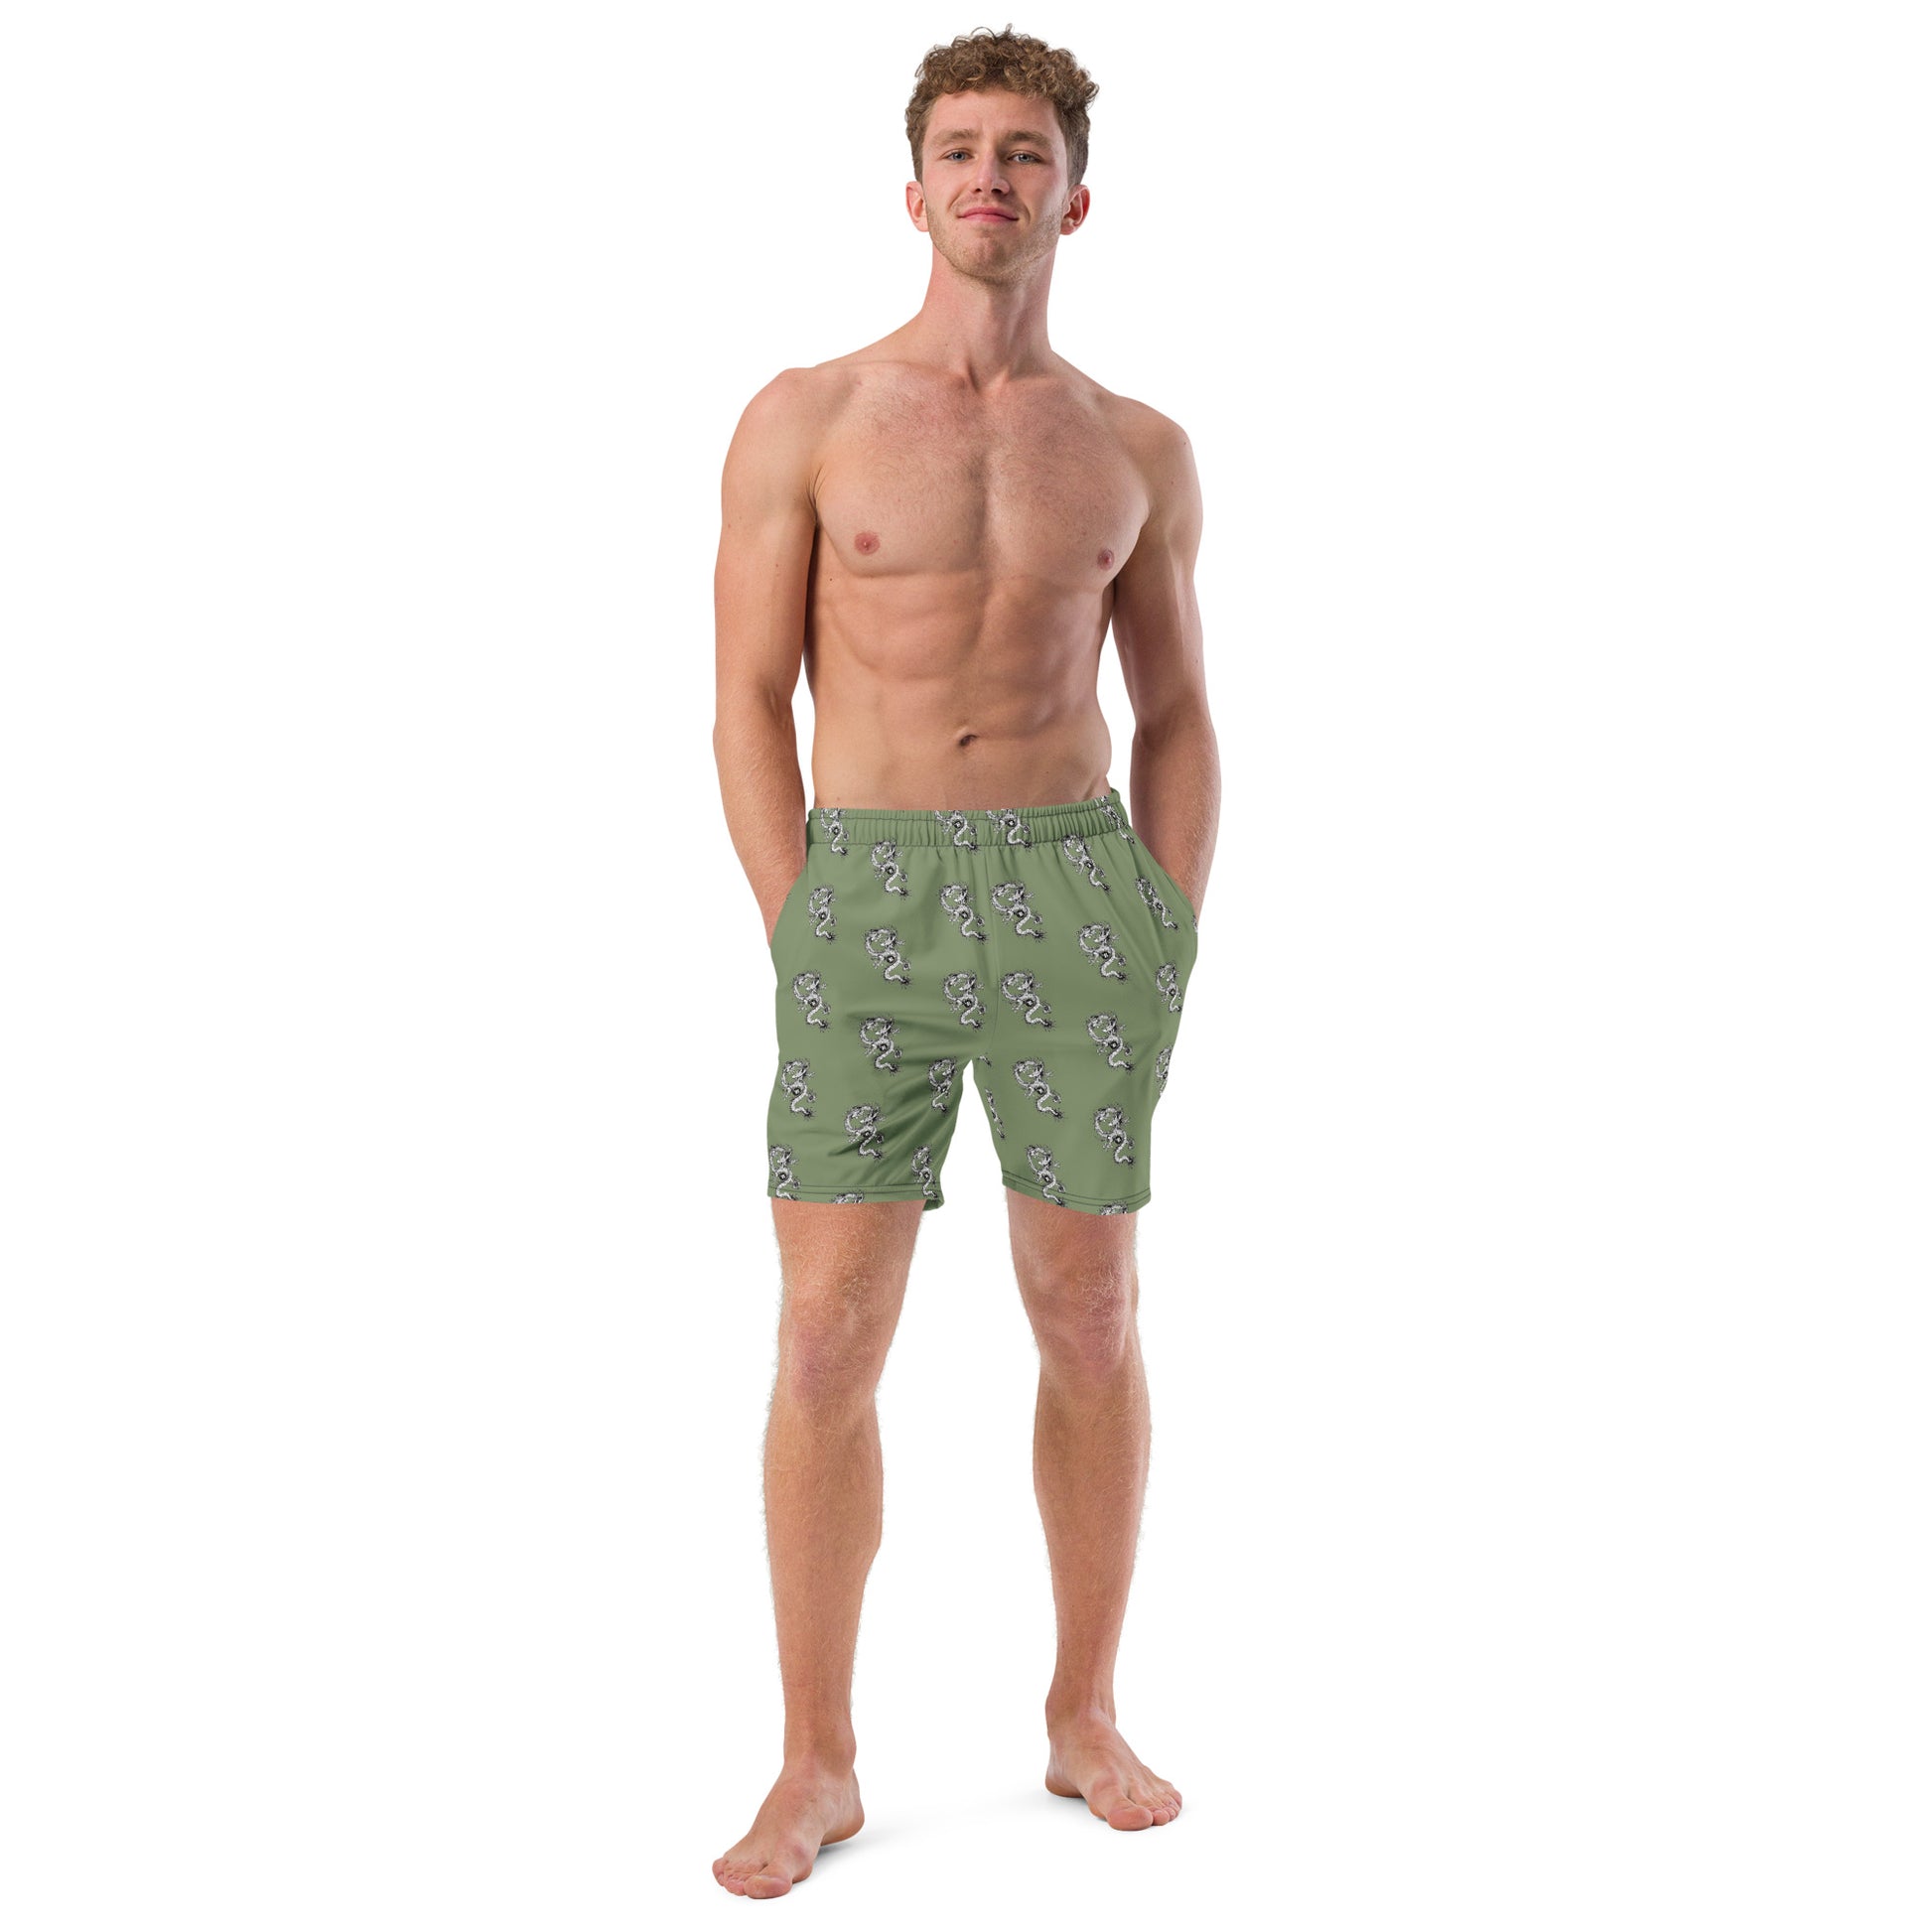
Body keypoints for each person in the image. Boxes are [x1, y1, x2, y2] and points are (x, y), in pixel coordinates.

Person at [711, 26, 1219, 1899]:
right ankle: (816, 1759)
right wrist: (801, 919)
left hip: (1075, 895)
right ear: (911, 186)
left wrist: (1161, 926)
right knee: (825, 1333)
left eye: (1022, 153)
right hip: (868, 893)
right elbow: (742, 703)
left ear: (1072, 197)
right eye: (959, 149)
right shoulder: (807, 416)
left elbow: (1178, 713)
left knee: (1087, 1313)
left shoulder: (1136, 447)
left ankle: (1082, 1712)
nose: (988, 177)